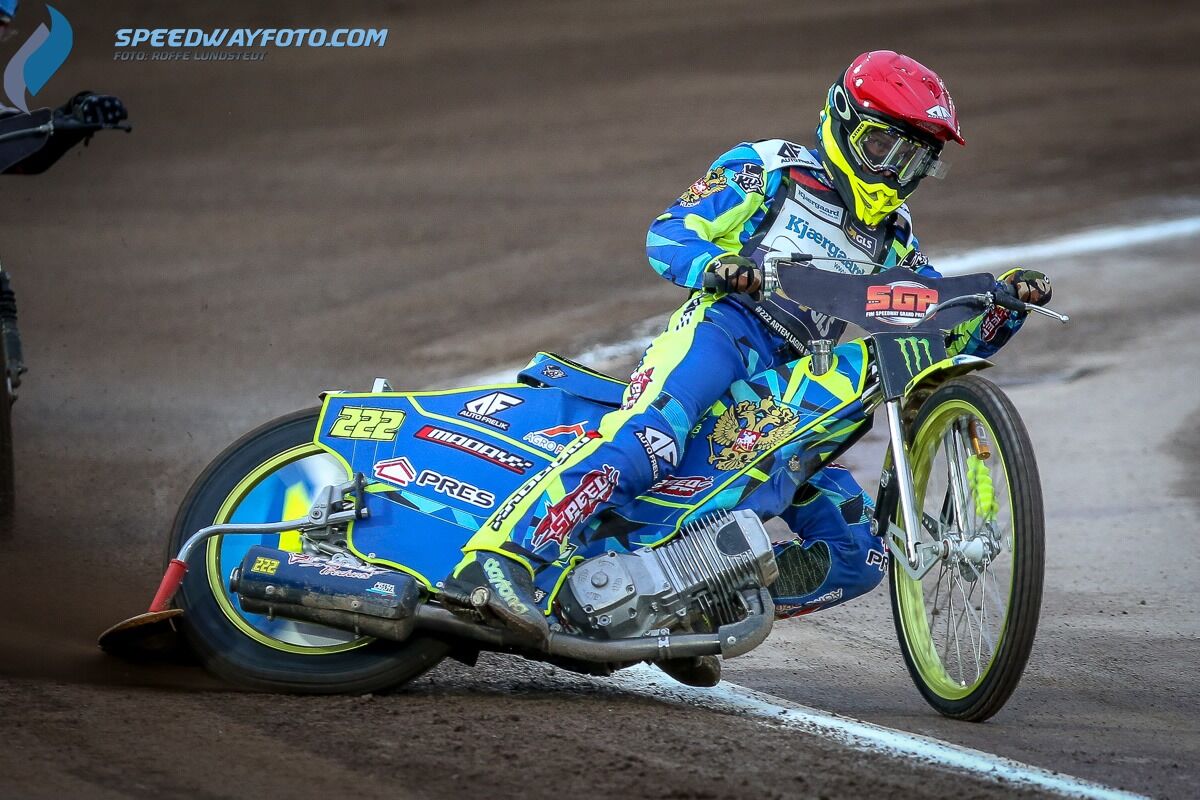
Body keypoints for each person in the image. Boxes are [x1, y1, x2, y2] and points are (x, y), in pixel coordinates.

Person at [444, 50, 1053, 655]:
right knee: (648, 442)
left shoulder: (896, 237)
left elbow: (935, 331)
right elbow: (668, 233)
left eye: (913, 160)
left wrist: (1001, 306)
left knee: (860, 552)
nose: (895, 171)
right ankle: (497, 559)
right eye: (883, 147)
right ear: (843, 122)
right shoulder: (769, 168)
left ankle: (687, 609)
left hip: (793, 389)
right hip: (719, 335)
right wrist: (717, 265)